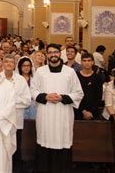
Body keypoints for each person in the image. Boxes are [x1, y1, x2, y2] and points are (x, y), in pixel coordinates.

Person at [30, 43, 84, 173]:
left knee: (62, 142)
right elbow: (33, 90)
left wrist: (62, 98)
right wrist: (46, 96)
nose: (53, 55)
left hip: (63, 114)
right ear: (46, 55)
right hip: (45, 114)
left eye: (56, 52)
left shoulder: (70, 72)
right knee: (45, 142)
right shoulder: (40, 72)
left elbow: (78, 93)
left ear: (60, 54)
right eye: (50, 52)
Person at [0, 54, 32, 172]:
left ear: (14, 65)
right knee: (1, 148)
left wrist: (11, 101)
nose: (8, 64)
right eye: (6, 61)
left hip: (16, 121)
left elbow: (27, 100)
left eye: (11, 62)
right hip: (0, 121)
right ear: (2, 64)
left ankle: (15, 170)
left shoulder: (21, 80)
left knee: (16, 149)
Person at [74, 53, 104, 120]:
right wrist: (83, 111)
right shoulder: (76, 76)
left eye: (89, 60)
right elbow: (75, 95)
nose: (87, 63)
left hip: (93, 113)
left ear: (93, 62)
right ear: (81, 62)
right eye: (84, 61)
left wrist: (91, 112)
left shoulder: (98, 77)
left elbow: (99, 96)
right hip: (78, 111)